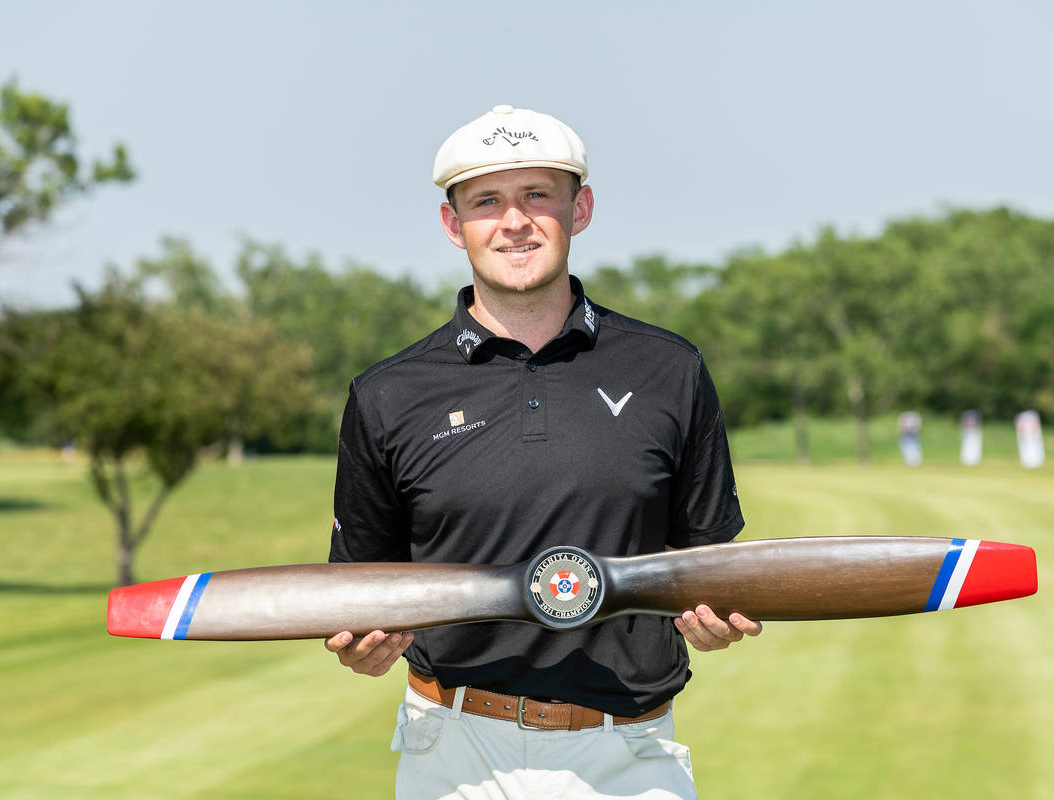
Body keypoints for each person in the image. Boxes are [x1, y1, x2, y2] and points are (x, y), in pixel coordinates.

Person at [324, 105, 760, 800]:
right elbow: (358, 589)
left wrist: (716, 618)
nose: (514, 221)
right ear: (453, 224)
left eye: (538, 195)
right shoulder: (386, 394)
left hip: (631, 752)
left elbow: (707, 564)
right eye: (486, 201)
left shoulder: (668, 369)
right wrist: (361, 646)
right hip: (453, 752)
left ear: (579, 209)